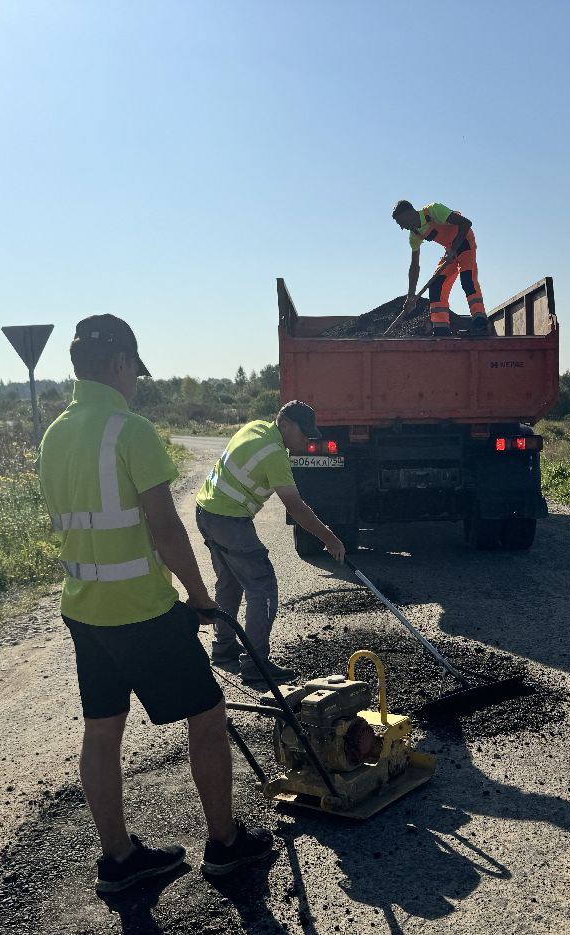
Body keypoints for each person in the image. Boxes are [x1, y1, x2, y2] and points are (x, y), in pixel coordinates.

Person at [38, 314, 272, 893]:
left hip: (84, 609)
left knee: (101, 730)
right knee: (209, 716)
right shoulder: (129, 429)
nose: (135, 382)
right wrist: (199, 596)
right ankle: (224, 844)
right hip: (140, 609)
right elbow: (167, 530)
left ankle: (118, 859)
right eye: (134, 371)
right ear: (119, 364)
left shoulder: (55, 433)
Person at [195, 400, 346, 688]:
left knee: (229, 581)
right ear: (286, 424)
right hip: (229, 520)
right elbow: (295, 507)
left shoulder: (255, 428)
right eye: (304, 433)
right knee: (262, 587)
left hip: (206, 511)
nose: (307, 439)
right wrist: (330, 538)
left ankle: (224, 647)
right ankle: (256, 664)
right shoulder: (275, 453)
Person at [391, 199, 489, 336]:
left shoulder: (433, 210)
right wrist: (411, 296)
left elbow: (466, 223)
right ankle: (441, 328)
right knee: (436, 285)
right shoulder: (414, 235)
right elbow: (414, 266)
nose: (402, 227)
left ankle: (480, 321)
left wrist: (454, 248)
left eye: (401, 222)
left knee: (467, 278)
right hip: (450, 250)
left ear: (409, 214)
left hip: (464, 241)